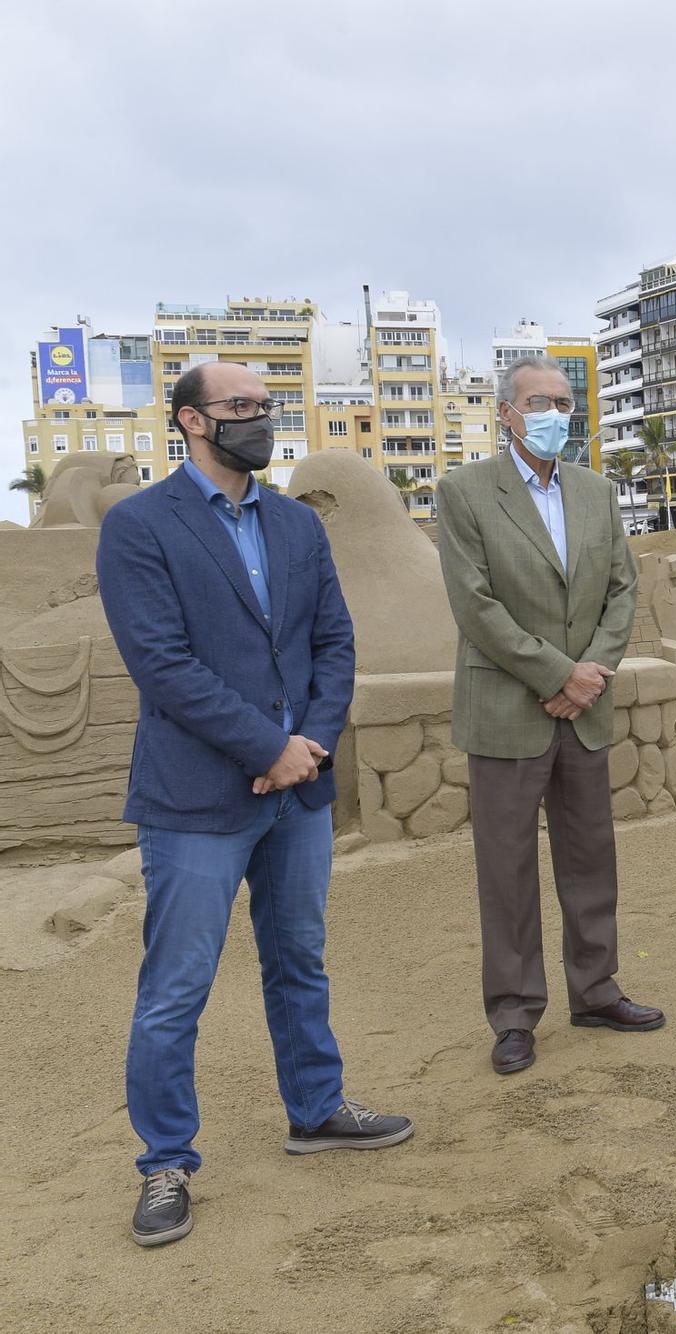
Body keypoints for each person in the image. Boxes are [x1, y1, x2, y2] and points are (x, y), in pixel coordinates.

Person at [97, 363, 412, 1249]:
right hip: (197, 798)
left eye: (266, 408)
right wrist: (266, 747)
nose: (258, 420)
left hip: (298, 791)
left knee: (299, 960)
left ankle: (314, 1109)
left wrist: (304, 744)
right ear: (192, 421)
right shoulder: (137, 527)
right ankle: (165, 1160)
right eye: (240, 408)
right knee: (175, 990)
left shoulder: (295, 525)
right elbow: (162, 666)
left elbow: (333, 641)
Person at [436, 353, 661, 1075]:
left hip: (585, 708)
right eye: (538, 402)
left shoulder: (596, 492)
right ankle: (513, 1013)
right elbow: (475, 605)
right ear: (506, 413)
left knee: (592, 860)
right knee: (506, 872)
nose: (554, 416)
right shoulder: (465, 492)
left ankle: (595, 990)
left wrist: (590, 675)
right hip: (509, 708)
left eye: (564, 403)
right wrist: (559, 673)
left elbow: (622, 591)